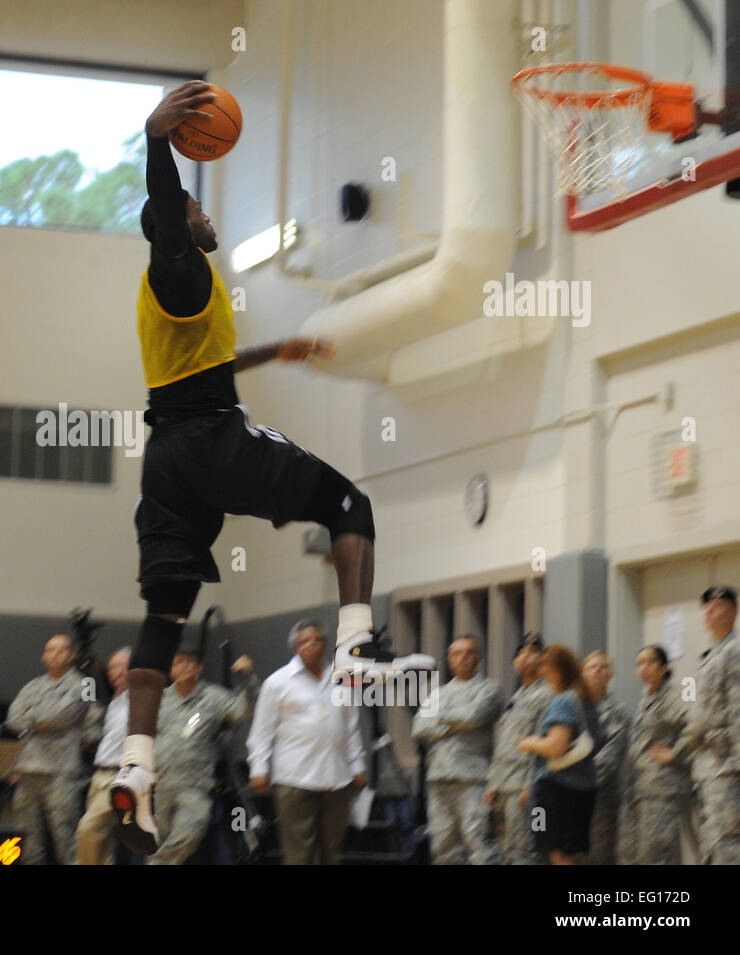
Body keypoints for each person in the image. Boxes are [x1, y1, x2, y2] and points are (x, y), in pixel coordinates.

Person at [113, 81, 433, 854]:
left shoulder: (180, 301)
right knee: (349, 505)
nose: (205, 211)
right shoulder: (178, 269)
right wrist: (155, 141)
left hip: (168, 460)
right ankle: (355, 650)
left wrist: (272, 351)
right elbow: (166, 220)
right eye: (194, 206)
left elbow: (201, 366)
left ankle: (135, 765)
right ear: (177, 227)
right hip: (211, 440)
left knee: (163, 619)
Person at [246, 622, 367, 865]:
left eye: (317, 640)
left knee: (332, 850)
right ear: (295, 648)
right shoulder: (277, 682)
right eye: (305, 641)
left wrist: (358, 765)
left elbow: (351, 728)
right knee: (300, 853)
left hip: (336, 777)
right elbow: (261, 731)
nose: (311, 645)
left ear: (324, 645)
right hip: (294, 778)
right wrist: (259, 768)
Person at [150, 644, 258, 865]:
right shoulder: (159, 699)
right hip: (161, 785)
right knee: (160, 841)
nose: (183, 667)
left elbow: (243, 711)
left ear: (199, 667)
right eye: (178, 662)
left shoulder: (213, 696)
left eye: (189, 662)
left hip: (194, 787)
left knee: (188, 836)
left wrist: (248, 677)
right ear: (171, 669)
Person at [411, 635, 502, 864]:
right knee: (444, 848)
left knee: (479, 844)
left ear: (479, 657)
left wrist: (439, 720)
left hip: (472, 777)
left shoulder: (489, 689)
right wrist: (452, 726)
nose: (463, 658)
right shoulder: (438, 693)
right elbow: (419, 726)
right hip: (440, 778)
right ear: (449, 659)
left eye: (469, 652)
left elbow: (475, 716)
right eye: (456, 653)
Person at [6, 634, 89, 865]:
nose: (55, 654)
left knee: (64, 835)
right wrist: (40, 721)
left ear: (72, 655)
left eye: (62, 650)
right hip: (29, 770)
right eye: (50, 650)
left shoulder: (85, 684)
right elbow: (13, 719)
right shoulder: (32, 685)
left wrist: (32, 718)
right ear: (43, 656)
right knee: (27, 838)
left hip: (61, 771)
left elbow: (65, 715)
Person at [517, 645, 605, 865]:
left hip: (556, 791)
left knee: (557, 853)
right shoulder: (586, 702)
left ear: (556, 670)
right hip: (580, 789)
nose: (541, 674)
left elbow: (556, 747)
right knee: (563, 851)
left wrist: (530, 742)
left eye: (544, 668)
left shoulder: (563, 701)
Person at [676, 585, 740, 864]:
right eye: (707, 607)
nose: (710, 611)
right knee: (712, 841)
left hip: (725, 765)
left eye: (718, 606)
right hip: (706, 766)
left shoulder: (734, 651)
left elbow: (738, 710)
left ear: (734, 612)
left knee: (727, 842)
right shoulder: (709, 658)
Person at [484, 633, 552, 864]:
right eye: (521, 652)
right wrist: (494, 781)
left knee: (530, 851)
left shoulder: (548, 696)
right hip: (505, 787)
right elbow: (504, 743)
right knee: (507, 852)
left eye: (533, 652)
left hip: (528, 789)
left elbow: (545, 745)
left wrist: (532, 786)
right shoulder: (516, 698)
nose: (525, 657)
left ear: (544, 660)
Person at [620, 645, 691, 865]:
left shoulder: (672, 696)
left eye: (650, 662)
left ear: (664, 667)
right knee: (639, 855)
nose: (644, 668)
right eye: (639, 663)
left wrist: (674, 754)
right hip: (641, 788)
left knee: (657, 856)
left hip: (662, 788)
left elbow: (693, 729)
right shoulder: (647, 697)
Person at [76, 648, 132, 865]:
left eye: (122, 667)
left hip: (120, 777)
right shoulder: (115, 701)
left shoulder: (142, 699)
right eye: (112, 667)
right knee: (104, 842)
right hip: (100, 775)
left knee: (88, 829)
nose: (115, 672)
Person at [581, 650, 629, 864]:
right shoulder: (572, 709)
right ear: (583, 674)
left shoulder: (617, 712)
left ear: (610, 675)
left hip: (601, 798)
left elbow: (611, 755)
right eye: (592, 667)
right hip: (570, 797)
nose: (597, 672)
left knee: (600, 856)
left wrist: (580, 780)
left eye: (603, 667)